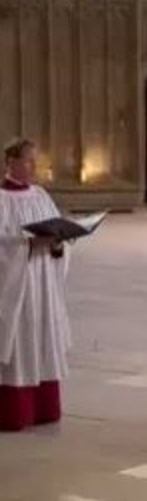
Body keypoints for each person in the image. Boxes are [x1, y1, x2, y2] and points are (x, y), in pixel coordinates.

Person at [0, 138, 72, 432]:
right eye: (27, 161)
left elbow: (54, 226)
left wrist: (58, 241)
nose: (32, 167)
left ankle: (43, 407)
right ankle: (15, 411)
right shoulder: (1, 200)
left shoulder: (41, 195)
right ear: (10, 163)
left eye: (34, 161)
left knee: (42, 335)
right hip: (19, 284)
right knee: (21, 338)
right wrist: (27, 244)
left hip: (43, 280)